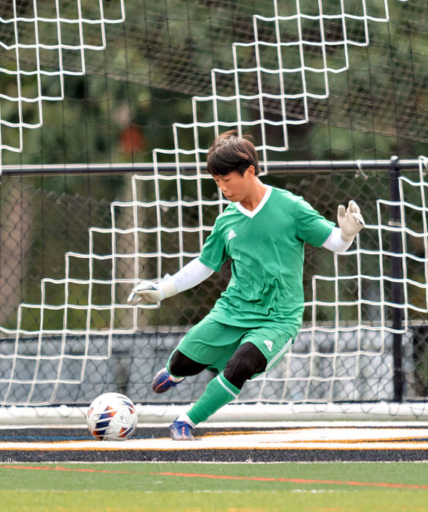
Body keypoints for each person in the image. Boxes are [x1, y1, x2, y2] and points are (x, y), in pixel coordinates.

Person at [128, 130, 364, 440]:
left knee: (241, 364)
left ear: (250, 171)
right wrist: (162, 290)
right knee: (183, 362)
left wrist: (346, 235)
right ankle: (175, 374)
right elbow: (203, 265)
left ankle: (186, 421)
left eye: (227, 180)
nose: (222, 188)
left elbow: (335, 242)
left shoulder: (291, 207)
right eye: (217, 182)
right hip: (231, 312)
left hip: (279, 319)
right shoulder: (227, 221)